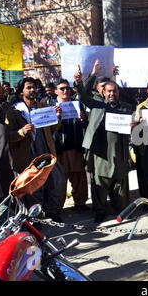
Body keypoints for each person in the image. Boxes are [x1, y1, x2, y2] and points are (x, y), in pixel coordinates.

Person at [74, 65, 135, 223]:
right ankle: (100, 211)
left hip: (119, 151)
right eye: (108, 91)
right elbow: (83, 95)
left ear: (118, 92)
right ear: (103, 92)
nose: (111, 93)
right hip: (100, 152)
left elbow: (135, 119)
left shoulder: (126, 108)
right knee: (99, 183)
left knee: (120, 182)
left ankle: (121, 210)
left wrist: (134, 124)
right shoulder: (97, 104)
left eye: (114, 91)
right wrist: (82, 80)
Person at [5, 77, 66, 222]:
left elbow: (53, 128)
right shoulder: (14, 111)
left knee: (56, 182)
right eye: (28, 88)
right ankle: (36, 218)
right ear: (21, 92)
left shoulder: (43, 107)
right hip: (27, 156)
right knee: (34, 189)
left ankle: (52, 212)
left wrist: (57, 117)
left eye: (34, 87)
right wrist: (22, 132)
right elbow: (9, 136)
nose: (32, 90)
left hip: (46, 152)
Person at [50, 78, 90, 212]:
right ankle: (57, 207)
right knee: (60, 180)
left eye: (67, 88)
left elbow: (85, 124)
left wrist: (83, 119)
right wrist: (56, 116)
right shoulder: (50, 106)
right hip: (59, 149)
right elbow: (48, 129)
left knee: (79, 178)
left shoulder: (77, 104)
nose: (65, 91)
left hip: (76, 147)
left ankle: (80, 203)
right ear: (56, 91)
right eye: (62, 88)